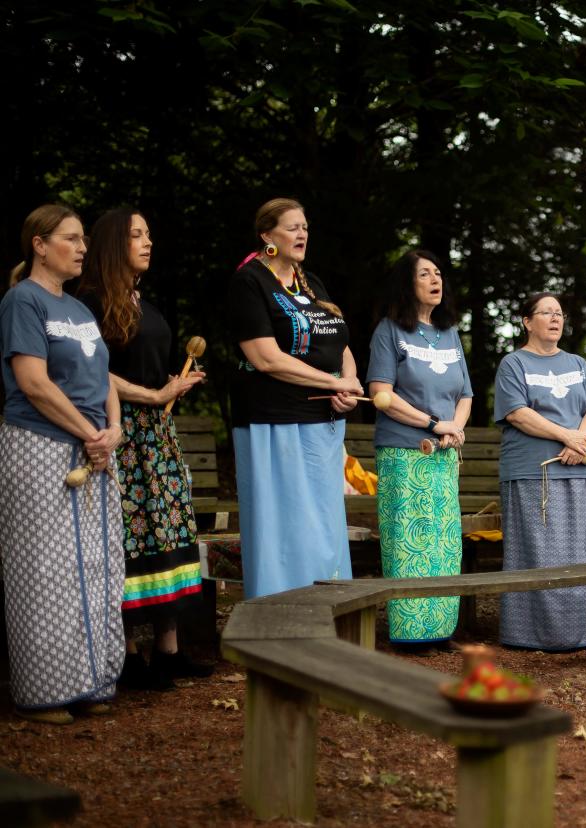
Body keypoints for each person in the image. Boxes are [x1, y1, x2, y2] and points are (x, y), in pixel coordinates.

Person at [78, 208, 213, 689]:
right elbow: (94, 372)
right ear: (114, 244)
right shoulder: (88, 304)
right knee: (129, 539)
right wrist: (152, 395)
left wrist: (174, 386)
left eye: (150, 234)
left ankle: (169, 651)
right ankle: (129, 656)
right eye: (137, 235)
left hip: (157, 436)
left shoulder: (144, 304)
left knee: (168, 534)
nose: (148, 241)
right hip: (122, 432)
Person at [0, 204, 124, 724]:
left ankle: (94, 680)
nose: (81, 249)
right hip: (40, 444)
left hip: (93, 447)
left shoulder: (79, 310)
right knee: (46, 569)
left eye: (83, 242)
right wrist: (89, 433)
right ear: (39, 244)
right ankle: (46, 691)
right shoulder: (22, 301)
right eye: (71, 239)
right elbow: (33, 383)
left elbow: (106, 380)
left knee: (98, 565)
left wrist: (111, 432)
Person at [227, 198, 361, 599]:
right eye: (291, 227)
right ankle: (278, 616)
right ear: (267, 235)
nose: (301, 234)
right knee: (284, 526)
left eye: (305, 227)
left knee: (323, 524)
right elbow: (264, 358)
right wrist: (330, 381)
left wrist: (348, 383)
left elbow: (341, 344)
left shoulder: (310, 282)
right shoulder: (249, 282)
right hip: (273, 422)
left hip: (323, 423)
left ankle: (326, 611)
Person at [367, 250, 471, 645]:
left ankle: (441, 630)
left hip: (444, 454)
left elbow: (465, 394)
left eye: (438, 272)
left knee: (444, 543)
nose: (435, 279)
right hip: (404, 453)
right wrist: (433, 423)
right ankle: (410, 632)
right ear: (406, 284)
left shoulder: (450, 333)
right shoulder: (389, 331)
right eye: (424, 273)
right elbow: (382, 394)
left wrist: (454, 429)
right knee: (411, 540)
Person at [493, 293, 586, 650]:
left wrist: (581, 440)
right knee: (536, 554)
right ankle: (529, 636)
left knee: (580, 555)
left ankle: (582, 634)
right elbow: (516, 413)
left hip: (582, 472)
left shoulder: (578, 363)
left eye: (559, 313)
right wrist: (568, 436)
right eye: (546, 313)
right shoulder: (514, 364)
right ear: (527, 322)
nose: (556, 319)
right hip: (533, 474)